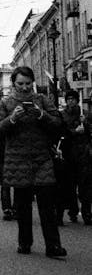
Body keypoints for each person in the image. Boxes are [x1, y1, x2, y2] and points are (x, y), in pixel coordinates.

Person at [0, 66, 67, 259]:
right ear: (14, 84)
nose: (25, 88)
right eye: (20, 84)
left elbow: (59, 124)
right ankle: (24, 242)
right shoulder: (6, 103)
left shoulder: (42, 100)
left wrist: (41, 115)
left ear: (33, 82)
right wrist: (12, 119)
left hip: (41, 158)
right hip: (17, 160)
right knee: (23, 205)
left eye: (28, 84)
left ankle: (53, 246)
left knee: (47, 205)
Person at [55, 90, 82, 225]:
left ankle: (80, 211)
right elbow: (61, 132)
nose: (71, 101)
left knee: (82, 184)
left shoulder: (82, 114)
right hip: (67, 153)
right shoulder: (62, 115)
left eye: (73, 99)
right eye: (69, 99)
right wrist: (74, 132)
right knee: (66, 185)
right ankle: (64, 213)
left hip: (82, 153)